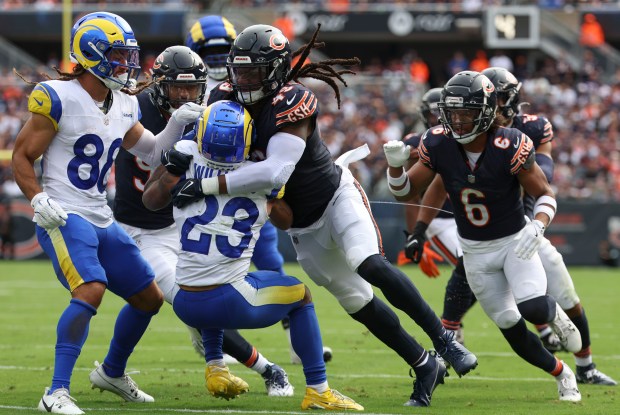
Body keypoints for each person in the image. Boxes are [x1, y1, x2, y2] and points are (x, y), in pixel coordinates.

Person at [165, 24, 478, 407]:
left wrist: (206, 186)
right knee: (356, 301)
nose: (243, 80)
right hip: (299, 224)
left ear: (277, 70)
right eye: (239, 71)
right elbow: (202, 144)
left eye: (253, 72)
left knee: (369, 264)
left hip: (334, 198)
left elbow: (276, 171)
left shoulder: (292, 101)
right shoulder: (223, 97)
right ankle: (423, 364)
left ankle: (444, 340)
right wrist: (178, 146)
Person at [11, 12, 204, 415]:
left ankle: (113, 372)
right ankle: (56, 392)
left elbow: (150, 152)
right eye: (117, 56)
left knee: (148, 297)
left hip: (101, 214)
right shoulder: (59, 97)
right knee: (90, 289)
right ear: (91, 54)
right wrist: (36, 198)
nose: (127, 65)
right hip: (63, 213)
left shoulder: (124, 103)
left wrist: (178, 124)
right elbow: (22, 156)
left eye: (128, 56)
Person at [142, 100, 363, 411]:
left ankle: (216, 367)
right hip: (231, 299)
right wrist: (276, 196)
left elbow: (150, 202)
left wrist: (168, 174)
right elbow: (285, 220)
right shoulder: (256, 175)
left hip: (185, 300)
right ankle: (319, 389)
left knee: (217, 274)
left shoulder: (187, 155)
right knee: (301, 297)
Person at [384, 70, 583, 401]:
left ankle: (554, 314)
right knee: (509, 325)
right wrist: (394, 167)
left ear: (487, 112)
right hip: (474, 252)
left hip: (514, 242)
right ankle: (563, 374)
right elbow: (405, 191)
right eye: (453, 114)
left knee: (533, 307)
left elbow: (545, 192)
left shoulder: (510, 143)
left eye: (467, 113)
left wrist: (538, 225)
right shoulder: (438, 143)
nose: (459, 122)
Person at [112, 44, 294, 397]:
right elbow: (153, 159)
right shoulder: (135, 108)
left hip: (184, 223)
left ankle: (115, 370)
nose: (184, 96)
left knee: (184, 298)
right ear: (159, 85)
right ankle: (266, 369)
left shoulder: (209, 112)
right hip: (142, 226)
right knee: (192, 299)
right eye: (177, 88)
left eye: (192, 88)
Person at [185, 15, 327, 365]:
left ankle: (227, 353)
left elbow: (275, 172)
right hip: (229, 193)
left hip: (244, 192)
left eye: (223, 52)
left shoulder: (283, 99)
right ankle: (217, 356)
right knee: (223, 271)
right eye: (210, 53)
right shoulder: (213, 96)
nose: (220, 63)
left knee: (266, 261)